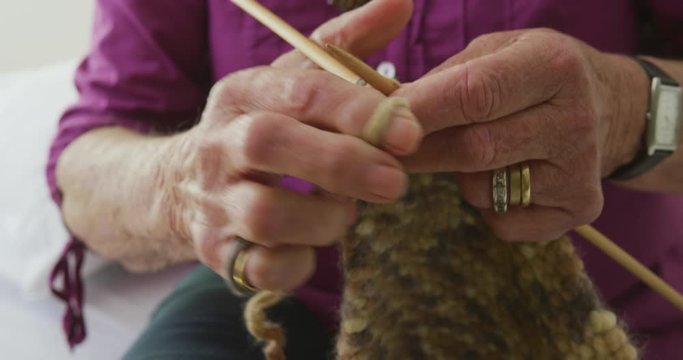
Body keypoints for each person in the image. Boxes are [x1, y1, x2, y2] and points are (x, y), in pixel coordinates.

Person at [47, 0, 683, 358]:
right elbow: (87, 163)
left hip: (598, 310)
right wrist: (176, 183)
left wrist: (630, 108)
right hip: (281, 310)